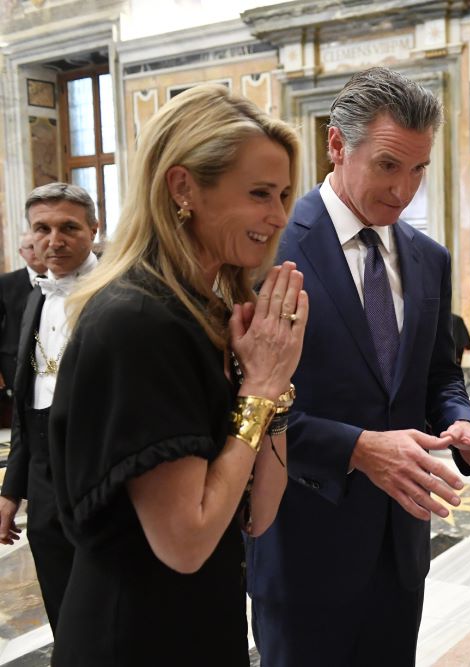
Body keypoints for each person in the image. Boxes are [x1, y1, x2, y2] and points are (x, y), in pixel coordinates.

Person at [247, 66, 470, 666]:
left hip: (400, 543)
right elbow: (241, 399)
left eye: (419, 169)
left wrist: (461, 420)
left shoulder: (428, 257)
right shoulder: (270, 245)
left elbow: (439, 373)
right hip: (302, 538)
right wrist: (357, 448)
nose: (404, 190)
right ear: (337, 145)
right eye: (388, 165)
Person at [45, 84, 305, 666]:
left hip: (196, 622)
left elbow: (260, 512)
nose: (279, 216)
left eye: (284, 194)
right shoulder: (138, 321)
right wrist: (260, 389)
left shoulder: (203, 312)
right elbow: (185, 541)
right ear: (183, 187)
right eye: (261, 193)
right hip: (135, 637)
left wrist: (275, 382)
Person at [0, 184, 99, 629]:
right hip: (43, 482)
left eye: (68, 228)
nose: (53, 240)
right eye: (42, 228)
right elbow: (25, 405)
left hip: (100, 477)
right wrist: (10, 491)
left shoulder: (118, 296)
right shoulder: (35, 297)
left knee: (104, 613)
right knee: (62, 609)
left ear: (93, 231)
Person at [0, 231, 47, 397]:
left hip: (52, 363)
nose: (36, 251)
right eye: (30, 247)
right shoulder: (5, 283)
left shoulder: (63, 281)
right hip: (14, 364)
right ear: (21, 252)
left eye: (39, 246)